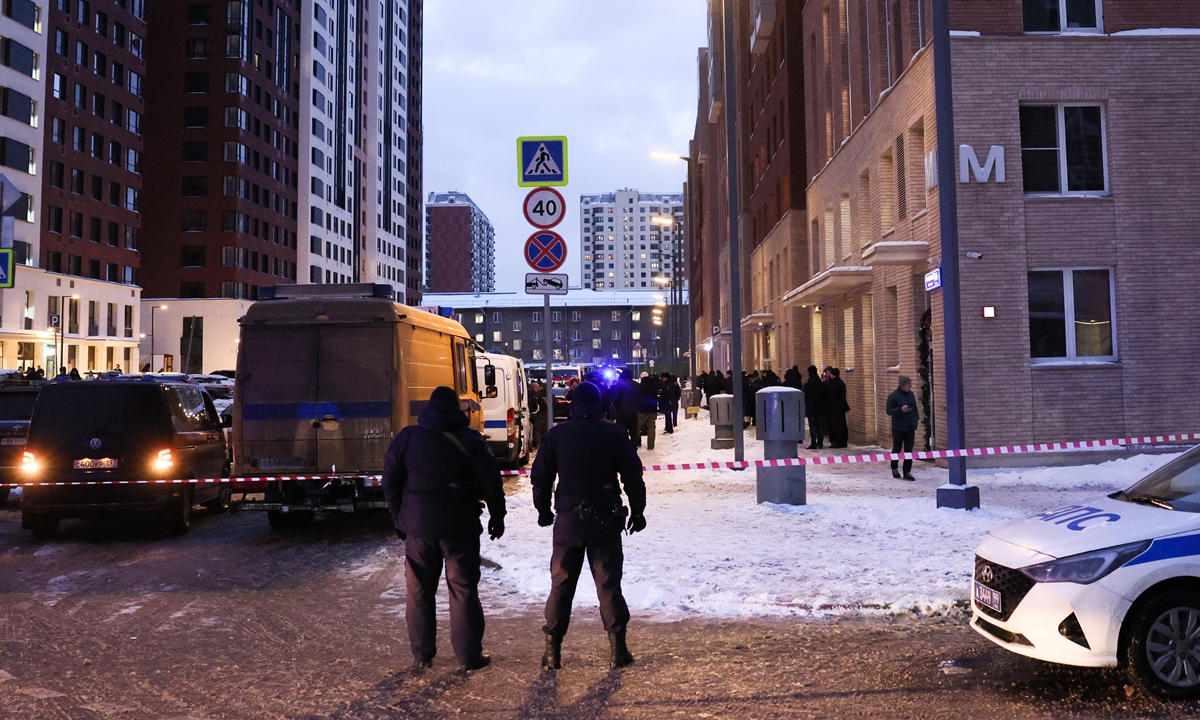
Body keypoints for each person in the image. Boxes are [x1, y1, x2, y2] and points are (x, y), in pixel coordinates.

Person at [381, 386, 506, 671]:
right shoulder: (471, 440)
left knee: (419, 592)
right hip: (460, 527)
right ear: (457, 409)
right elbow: (491, 483)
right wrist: (497, 517)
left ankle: (422, 655)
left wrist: (399, 517)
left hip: (418, 529)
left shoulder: (407, 438)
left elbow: (390, 480)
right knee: (463, 590)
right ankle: (468, 656)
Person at [531, 381, 646, 670]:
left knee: (561, 585)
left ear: (573, 405)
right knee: (608, 586)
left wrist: (543, 510)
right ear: (599, 405)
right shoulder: (614, 434)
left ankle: (553, 651)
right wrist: (638, 511)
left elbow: (541, 477)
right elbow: (633, 476)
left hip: (568, 521)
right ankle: (618, 651)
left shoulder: (558, 435)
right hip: (605, 519)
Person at [886, 376, 919, 481]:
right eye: (909, 384)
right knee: (897, 448)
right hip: (898, 427)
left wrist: (915, 418)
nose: (911, 386)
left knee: (909, 449)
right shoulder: (893, 396)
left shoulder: (911, 394)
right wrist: (901, 410)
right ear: (903, 385)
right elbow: (889, 410)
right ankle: (894, 467)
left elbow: (914, 407)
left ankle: (907, 471)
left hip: (910, 426)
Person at [606, 369, 641, 446]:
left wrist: (615, 405)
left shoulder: (619, 384)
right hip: (634, 410)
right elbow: (640, 397)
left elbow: (614, 397)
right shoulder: (636, 384)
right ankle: (634, 446)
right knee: (633, 430)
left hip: (622, 411)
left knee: (622, 430)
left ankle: (624, 447)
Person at [802, 366, 827, 449]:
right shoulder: (821, 384)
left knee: (812, 426)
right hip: (821, 408)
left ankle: (814, 442)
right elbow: (825, 396)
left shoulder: (808, 385)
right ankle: (820, 442)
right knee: (819, 425)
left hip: (811, 408)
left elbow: (804, 396)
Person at [825, 367, 850, 448]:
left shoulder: (835, 383)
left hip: (836, 408)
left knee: (837, 425)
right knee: (842, 424)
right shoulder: (841, 382)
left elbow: (832, 395)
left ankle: (839, 441)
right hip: (841, 407)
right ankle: (842, 441)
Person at [636, 373, 659, 450]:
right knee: (651, 428)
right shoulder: (654, 385)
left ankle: (636, 442)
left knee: (637, 427)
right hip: (652, 409)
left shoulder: (639, 387)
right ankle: (651, 445)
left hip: (641, 409)